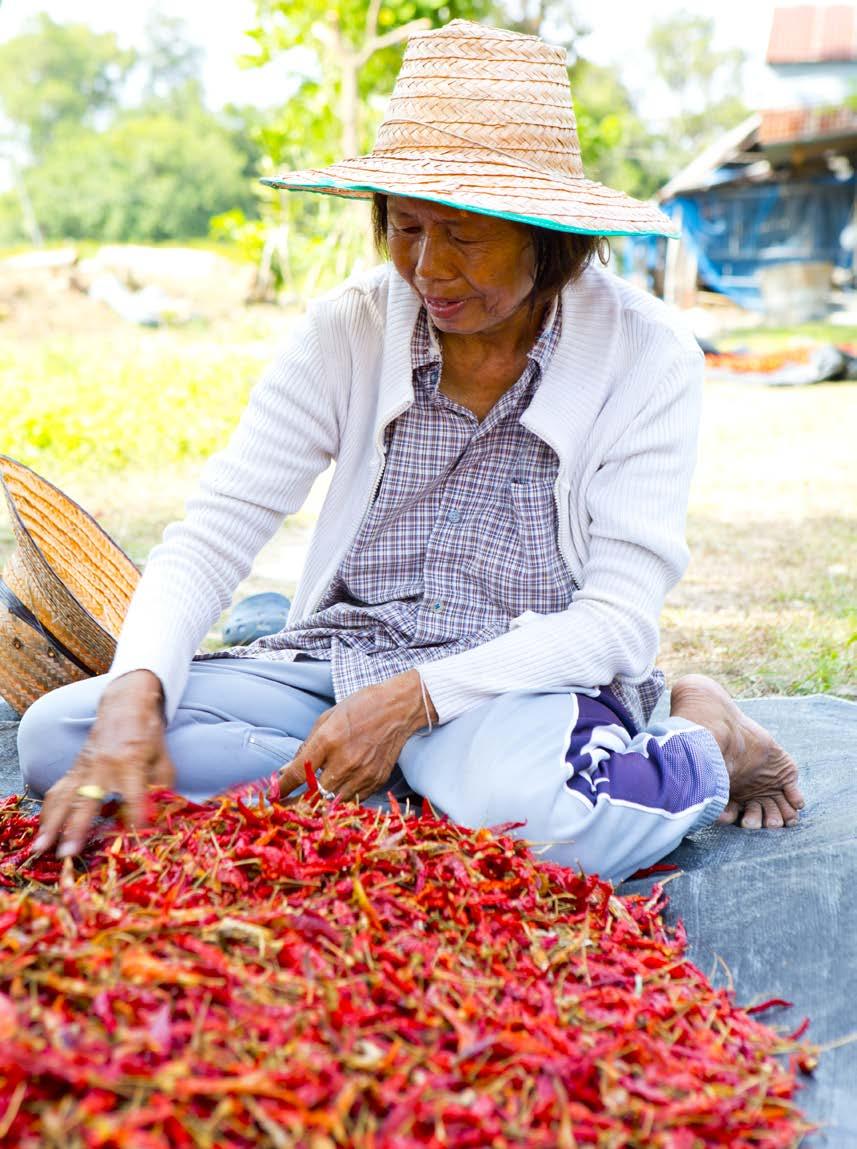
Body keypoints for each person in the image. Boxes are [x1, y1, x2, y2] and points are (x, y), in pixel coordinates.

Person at [18, 20, 803, 883]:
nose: (426, 267)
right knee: (63, 738)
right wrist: (136, 694)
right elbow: (213, 533)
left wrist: (416, 702)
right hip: (344, 659)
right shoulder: (348, 326)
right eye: (403, 226)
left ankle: (703, 732)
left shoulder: (644, 353)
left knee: (559, 839)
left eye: (463, 236)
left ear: (546, 237)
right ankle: (422, 797)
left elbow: (615, 620)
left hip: (512, 684)